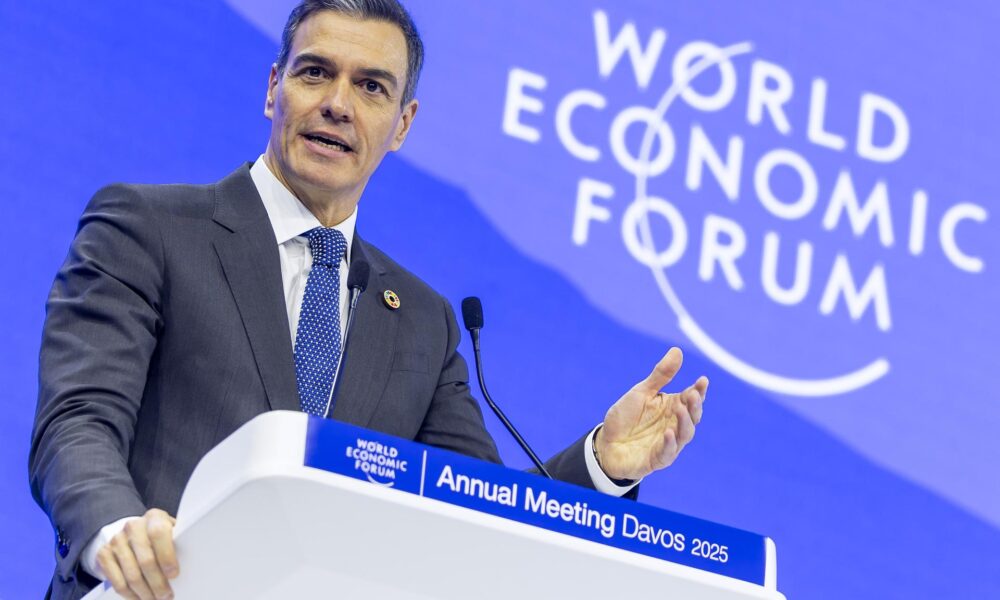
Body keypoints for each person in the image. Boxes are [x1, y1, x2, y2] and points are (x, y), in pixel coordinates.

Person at [29, 1, 708, 599]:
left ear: (403, 123)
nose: (337, 104)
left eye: (371, 86)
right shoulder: (149, 228)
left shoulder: (421, 320)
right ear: (274, 88)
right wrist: (115, 531)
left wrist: (602, 464)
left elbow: (483, 512)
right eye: (315, 72)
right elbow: (77, 420)